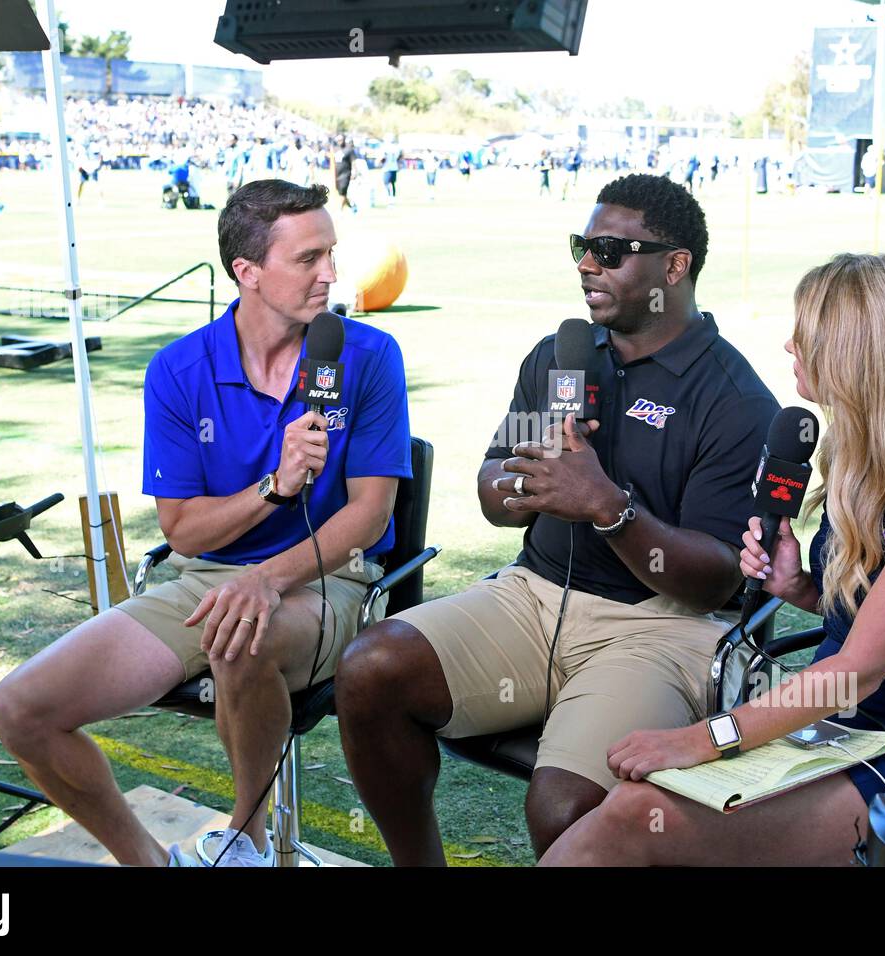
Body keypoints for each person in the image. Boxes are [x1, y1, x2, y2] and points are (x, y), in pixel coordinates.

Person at [334, 173, 781, 865]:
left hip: (659, 627)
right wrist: (528, 480)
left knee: (563, 811)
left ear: (675, 265)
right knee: (371, 669)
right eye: (582, 244)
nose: (585, 264)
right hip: (533, 596)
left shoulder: (736, 398)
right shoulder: (560, 356)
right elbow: (491, 492)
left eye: (609, 249)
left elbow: (715, 583)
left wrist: (607, 506)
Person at [539, 252, 885, 866]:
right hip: (844, 734)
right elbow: (879, 614)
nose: (790, 343)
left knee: (639, 817)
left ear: (858, 351)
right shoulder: (870, 455)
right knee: (634, 804)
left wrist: (706, 738)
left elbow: (860, 670)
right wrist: (799, 587)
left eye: (809, 332)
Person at [0, 180, 412, 867]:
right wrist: (275, 488)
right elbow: (184, 533)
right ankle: (146, 861)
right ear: (247, 272)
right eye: (308, 258)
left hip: (329, 578)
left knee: (240, 637)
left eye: (331, 253)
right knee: (19, 709)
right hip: (201, 580)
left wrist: (267, 580)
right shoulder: (179, 369)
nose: (331, 273)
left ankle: (244, 841)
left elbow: (369, 515)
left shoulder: (369, 356)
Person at [333, 134, 358, 213]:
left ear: (344, 140)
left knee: (343, 192)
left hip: (346, 174)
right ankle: (352, 206)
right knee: (341, 193)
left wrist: (354, 172)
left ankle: (340, 210)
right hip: (337, 174)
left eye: (341, 140)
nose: (340, 141)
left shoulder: (349, 150)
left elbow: (353, 161)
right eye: (338, 140)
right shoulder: (336, 149)